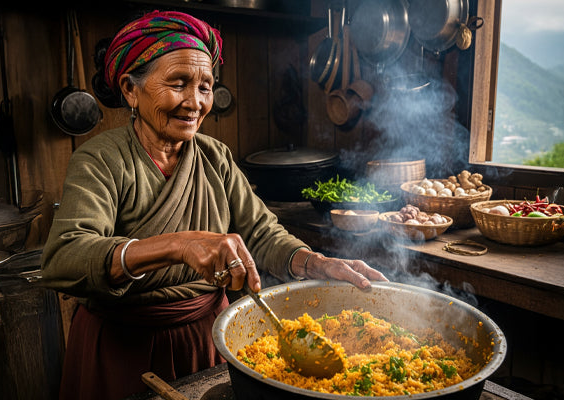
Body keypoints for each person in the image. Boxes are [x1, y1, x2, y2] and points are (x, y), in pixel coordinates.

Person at [40, 9, 388, 399]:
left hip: (207, 339)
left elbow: (259, 232)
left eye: (205, 86)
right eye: (178, 83)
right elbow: (64, 257)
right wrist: (179, 245)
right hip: (122, 348)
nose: (195, 102)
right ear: (130, 89)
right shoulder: (100, 160)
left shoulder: (215, 157)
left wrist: (316, 263)